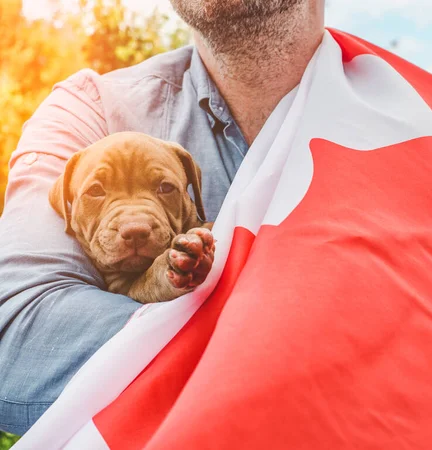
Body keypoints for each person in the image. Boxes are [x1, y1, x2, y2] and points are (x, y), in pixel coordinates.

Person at [0, 0, 325, 435]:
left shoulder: (415, 120)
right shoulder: (86, 111)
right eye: (97, 193)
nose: (134, 222)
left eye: (164, 188)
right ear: (67, 206)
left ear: (191, 189)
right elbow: (20, 342)